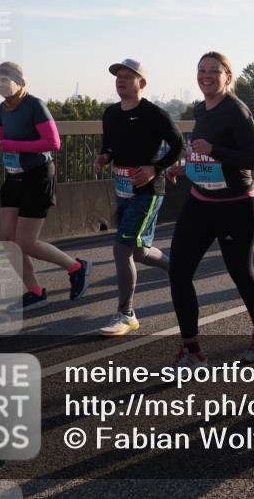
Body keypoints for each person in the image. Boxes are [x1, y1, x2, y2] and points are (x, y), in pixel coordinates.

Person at [166, 52, 254, 365]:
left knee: (240, 272)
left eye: (214, 70)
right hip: (201, 202)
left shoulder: (236, 110)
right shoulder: (202, 109)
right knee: (179, 271)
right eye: (201, 70)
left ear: (228, 76)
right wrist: (184, 168)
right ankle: (191, 350)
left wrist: (214, 149)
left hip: (236, 206)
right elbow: (206, 158)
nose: (206, 75)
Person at [95, 59, 183, 336]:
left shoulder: (154, 114)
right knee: (138, 251)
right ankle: (177, 270)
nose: (120, 80)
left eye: (127, 77)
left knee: (122, 248)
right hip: (123, 189)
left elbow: (178, 144)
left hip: (148, 191)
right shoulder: (110, 113)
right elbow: (109, 143)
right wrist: (104, 156)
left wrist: (156, 167)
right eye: (118, 76)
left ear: (141, 83)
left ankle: (126, 313)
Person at [0, 62, 90, 311]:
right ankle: (34, 291)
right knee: (8, 239)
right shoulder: (2, 109)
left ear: (19, 81)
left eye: (5, 80)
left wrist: (14, 145)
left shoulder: (34, 105)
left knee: (26, 242)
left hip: (37, 177)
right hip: (13, 177)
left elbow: (53, 142)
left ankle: (77, 267)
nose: (0, 85)